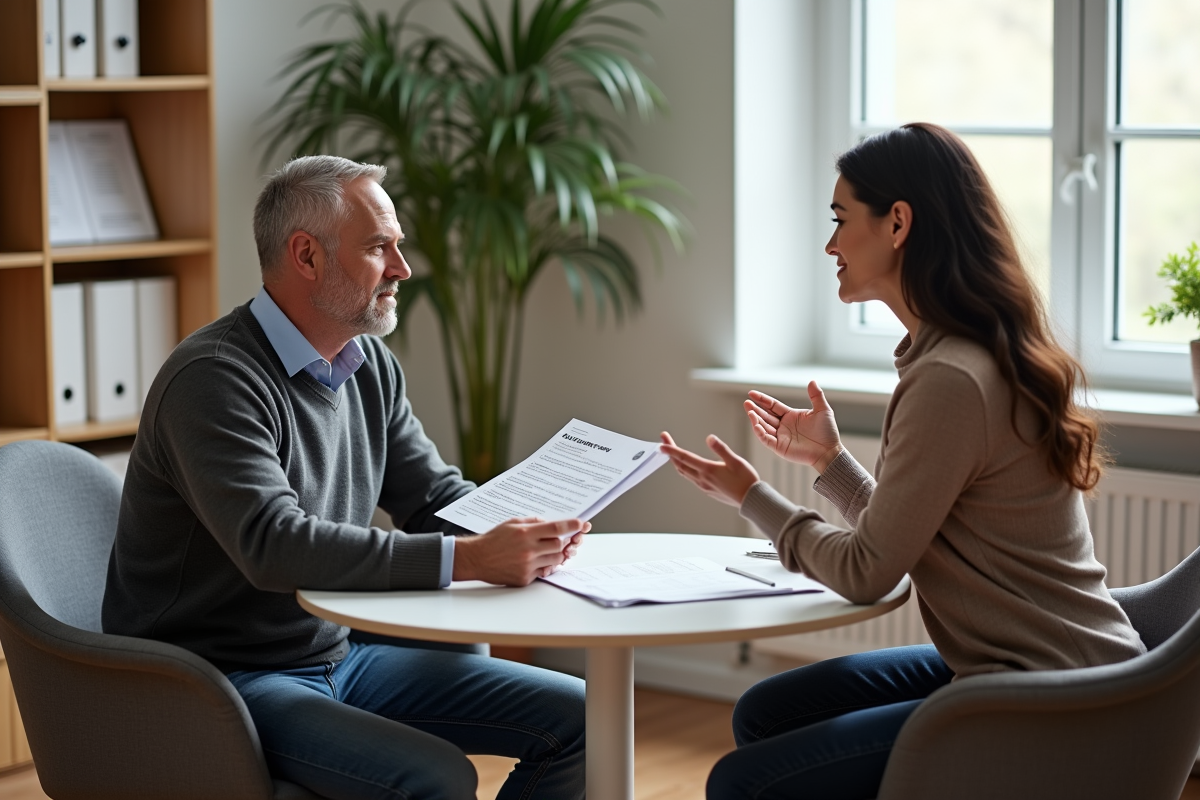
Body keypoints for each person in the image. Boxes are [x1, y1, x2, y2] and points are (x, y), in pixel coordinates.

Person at [660, 123, 1146, 800]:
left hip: (1051, 694)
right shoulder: (965, 353)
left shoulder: (951, 378)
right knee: (766, 713)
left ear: (898, 223)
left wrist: (755, 499)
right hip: (1043, 665)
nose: (830, 244)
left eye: (840, 220)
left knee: (745, 783)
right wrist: (830, 460)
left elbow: (867, 571)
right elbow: (923, 533)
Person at [103, 155, 589, 800]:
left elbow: (434, 496)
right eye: (378, 247)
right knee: (436, 778)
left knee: (584, 719)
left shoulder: (368, 367)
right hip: (217, 679)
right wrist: (471, 558)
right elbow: (273, 545)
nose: (402, 269)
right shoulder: (214, 380)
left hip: (339, 655)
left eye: (398, 246)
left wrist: (525, 523)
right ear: (307, 256)